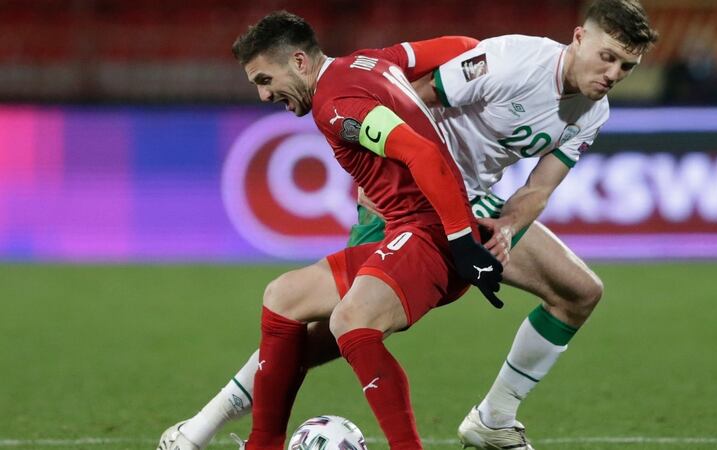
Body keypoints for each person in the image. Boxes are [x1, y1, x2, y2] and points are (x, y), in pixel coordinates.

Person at [157, 1, 658, 449]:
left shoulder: (593, 111)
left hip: (470, 203)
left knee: (578, 293)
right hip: (414, 199)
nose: (613, 72)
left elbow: (538, 189)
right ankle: (205, 425)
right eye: (607, 56)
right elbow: (417, 98)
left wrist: (504, 229)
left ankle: (494, 419)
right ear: (578, 37)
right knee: (326, 330)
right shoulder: (513, 62)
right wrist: (381, 163)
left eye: (627, 66)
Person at [206, 10, 504, 450]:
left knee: (350, 321)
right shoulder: (370, 61)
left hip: (430, 236)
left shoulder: (336, 109)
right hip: (418, 232)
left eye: (265, 80)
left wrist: (461, 242)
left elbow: (421, 154)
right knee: (283, 297)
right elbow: (462, 46)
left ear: (301, 63)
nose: (264, 95)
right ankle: (263, 443)